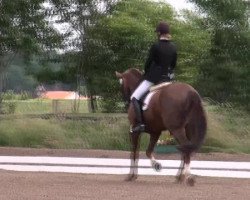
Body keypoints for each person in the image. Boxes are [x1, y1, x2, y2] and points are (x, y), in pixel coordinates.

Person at [130, 21, 177, 133]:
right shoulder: (173, 47)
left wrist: (146, 71)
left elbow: (149, 62)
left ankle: (140, 124)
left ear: (159, 33)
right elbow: (173, 64)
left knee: (135, 97)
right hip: (167, 79)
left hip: (154, 78)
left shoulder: (155, 46)